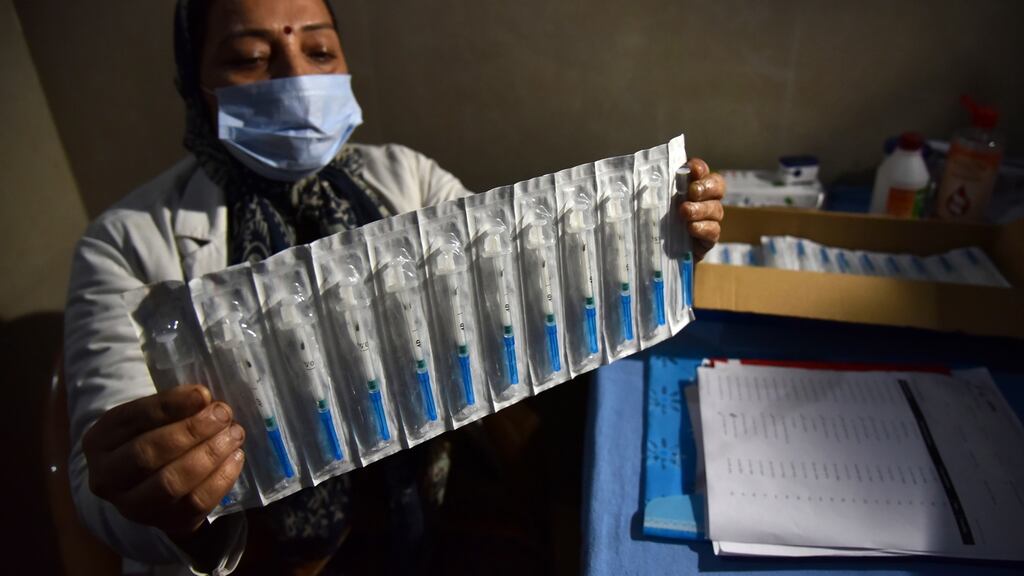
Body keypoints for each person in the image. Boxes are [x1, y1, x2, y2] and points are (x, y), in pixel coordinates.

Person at [63, 0, 727, 574]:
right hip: (268, 559)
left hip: (434, 508)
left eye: (319, 49)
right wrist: (161, 493)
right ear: (194, 81)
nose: (296, 77)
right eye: (248, 58)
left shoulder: (407, 178)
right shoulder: (124, 244)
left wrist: (652, 244)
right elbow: (104, 495)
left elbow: (535, 292)